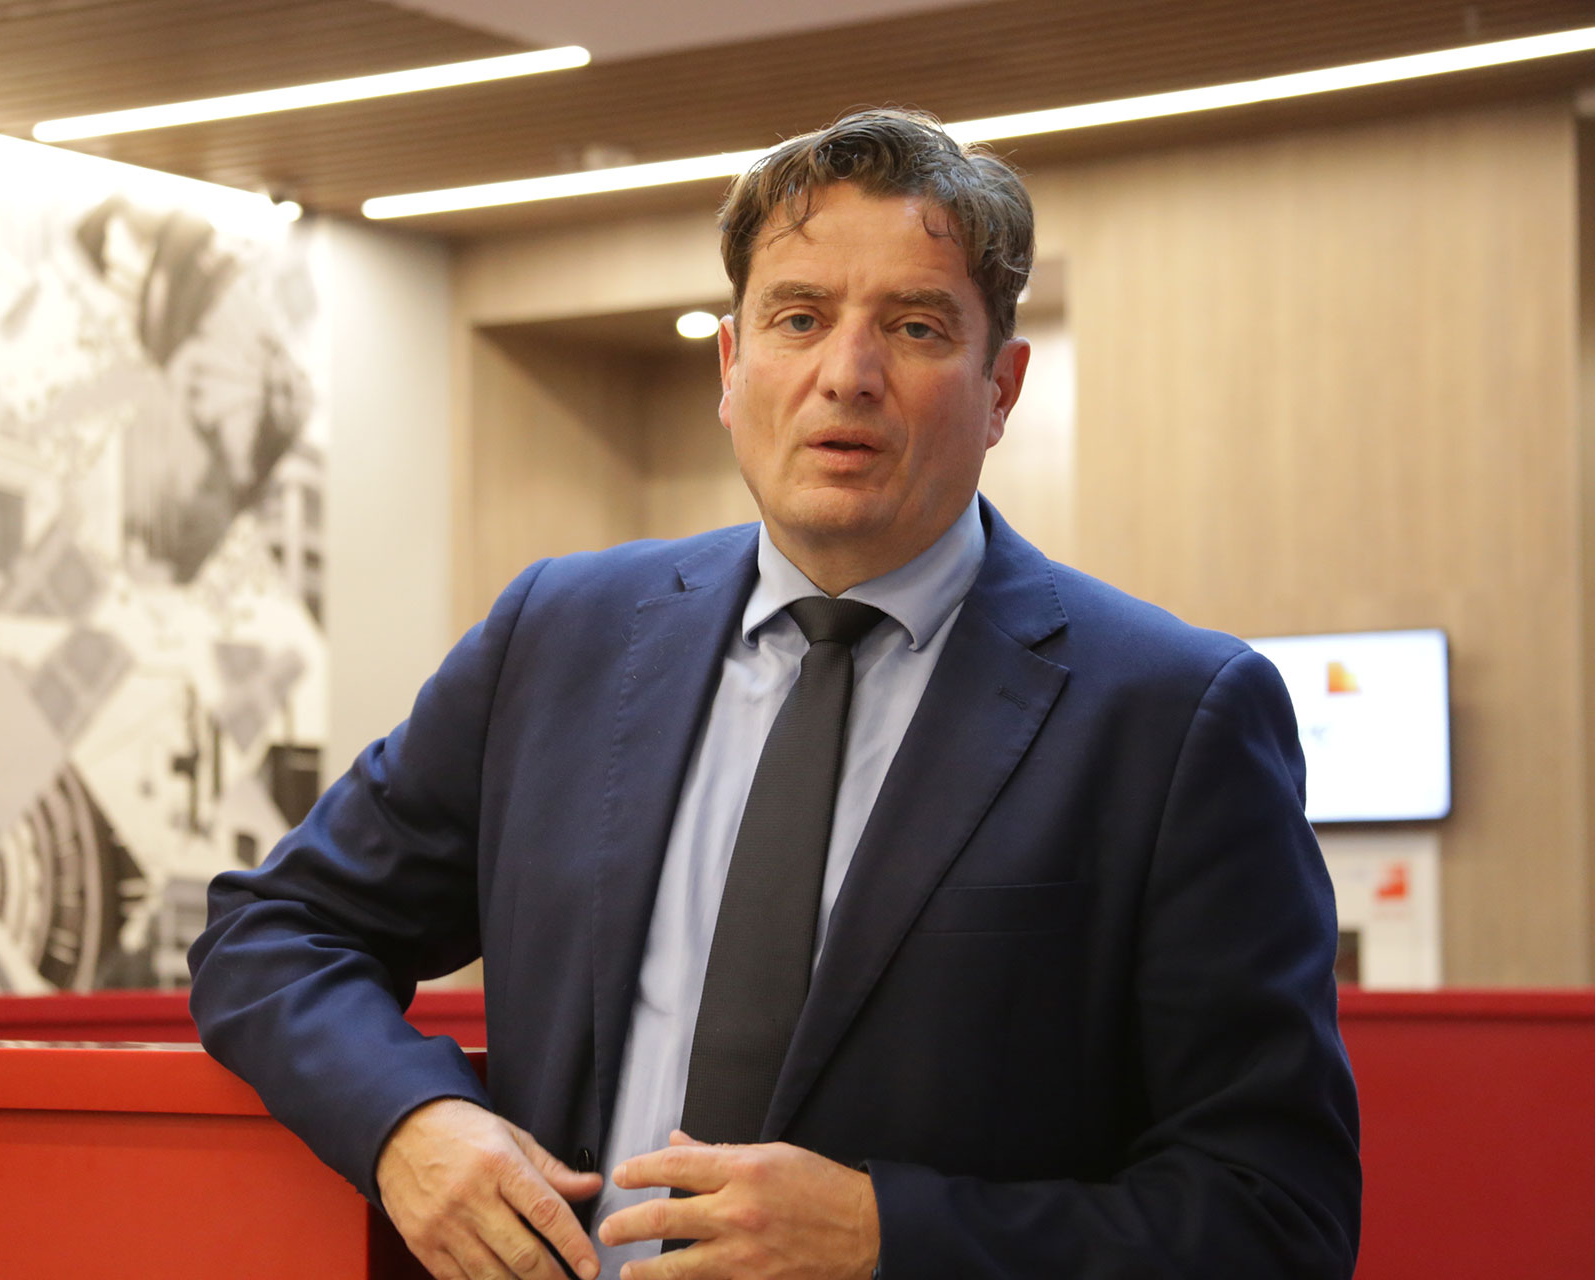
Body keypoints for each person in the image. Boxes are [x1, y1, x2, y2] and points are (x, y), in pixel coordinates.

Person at [188, 108, 1360, 1280]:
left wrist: (886, 1235)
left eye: (913, 326)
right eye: (798, 318)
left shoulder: (1174, 715)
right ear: (732, 364)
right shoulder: (561, 637)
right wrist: (410, 1121)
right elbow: (274, 930)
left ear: (1000, 387)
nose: (844, 376)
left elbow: (1275, 1214)